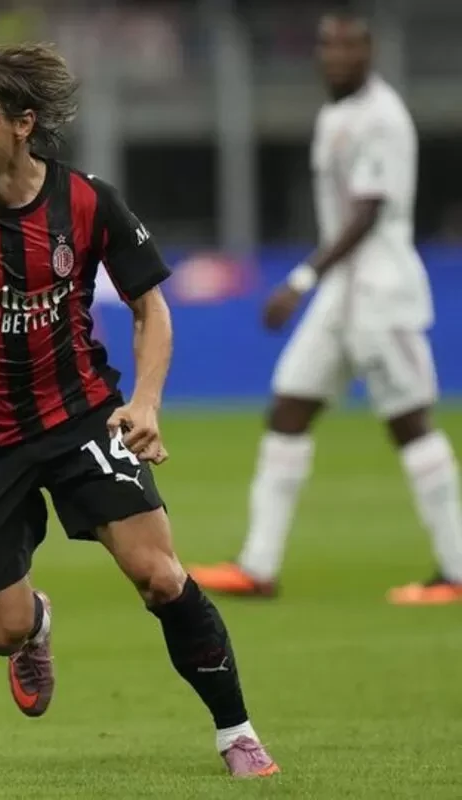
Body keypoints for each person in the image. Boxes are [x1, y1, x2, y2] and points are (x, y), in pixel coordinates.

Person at [0, 43, 278, 778]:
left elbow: (150, 306)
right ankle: (35, 627)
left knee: (161, 575)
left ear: (22, 123)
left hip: (82, 417)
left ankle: (237, 734)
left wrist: (146, 400)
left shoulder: (88, 202)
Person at [188, 11, 462, 605]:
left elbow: (368, 212)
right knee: (288, 408)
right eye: (328, 47)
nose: (336, 57)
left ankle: (457, 569)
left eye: (349, 47)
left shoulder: (382, 117)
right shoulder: (335, 115)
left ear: (369, 52)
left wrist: (301, 278)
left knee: (410, 424)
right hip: (341, 295)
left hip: (382, 293)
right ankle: (258, 566)